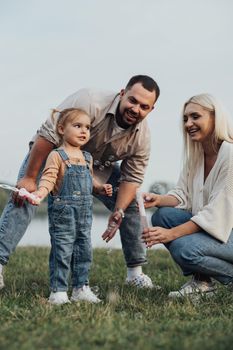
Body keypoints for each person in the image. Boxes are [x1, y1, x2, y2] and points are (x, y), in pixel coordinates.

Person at [0, 75, 160, 289]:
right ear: (122, 93)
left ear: (151, 109)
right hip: (54, 155)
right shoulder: (90, 101)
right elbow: (47, 134)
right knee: (25, 197)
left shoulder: (143, 138)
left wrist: (118, 211)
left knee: (129, 201)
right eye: (133, 100)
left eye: (144, 106)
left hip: (94, 170)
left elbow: (132, 178)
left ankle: (135, 274)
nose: (136, 108)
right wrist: (29, 178)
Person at [142, 93, 233, 298]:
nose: (188, 123)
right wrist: (158, 199)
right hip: (218, 230)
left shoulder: (231, 155)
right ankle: (202, 283)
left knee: (184, 248)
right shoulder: (197, 155)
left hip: (228, 230)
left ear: (215, 117)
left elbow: (215, 212)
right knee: (163, 215)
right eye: (185, 119)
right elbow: (183, 193)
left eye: (195, 117)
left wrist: (171, 234)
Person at [26, 108, 112, 304]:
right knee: (62, 249)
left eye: (88, 127)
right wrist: (40, 192)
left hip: (84, 213)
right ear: (62, 129)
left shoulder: (87, 157)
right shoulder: (57, 155)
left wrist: (99, 188)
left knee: (84, 249)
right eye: (78, 126)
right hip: (63, 211)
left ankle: (81, 287)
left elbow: (89, 181)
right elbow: (48, 178)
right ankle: (59, 290)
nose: (84, 131)